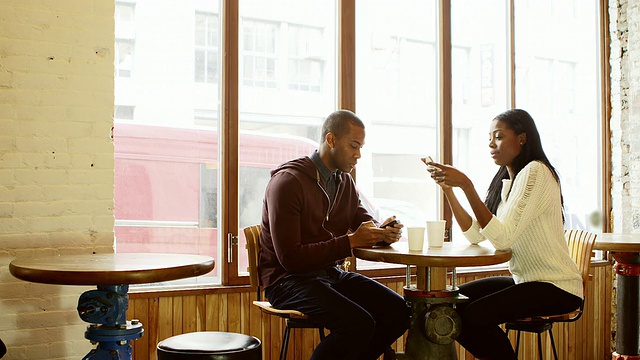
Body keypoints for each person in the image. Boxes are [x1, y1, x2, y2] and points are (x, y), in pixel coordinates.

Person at [423, 109, 583, 360]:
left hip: (557, 287)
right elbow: (475, 234)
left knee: (471, 317)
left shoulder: (536, 172)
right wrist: (449, 190)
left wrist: (466, 184)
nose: (490, 144)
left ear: (522, 138)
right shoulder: (507, 180)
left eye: (498, 136)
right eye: (490, 137)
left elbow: (503, 239)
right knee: (451, 304)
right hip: (526, 282)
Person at [259, 109, 411, 360]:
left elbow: (362, 220)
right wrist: (351, 241)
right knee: (358, 324)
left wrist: (383, 232)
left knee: (399, 312)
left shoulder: (344, 182)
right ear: (330, 140)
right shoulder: (288, 182)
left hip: (328, 274)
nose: (358, 155)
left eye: (361, 147)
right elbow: (290, 258)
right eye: (353, 145)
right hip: (286, 281)